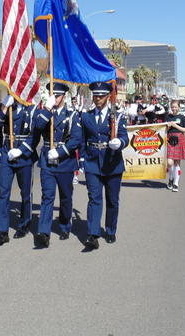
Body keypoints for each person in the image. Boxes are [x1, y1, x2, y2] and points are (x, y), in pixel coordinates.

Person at [79, 81, 129, 249]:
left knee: (112, 200)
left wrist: (119, 142)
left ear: (108, 97)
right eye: (95, 96)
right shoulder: (86, 116)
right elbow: (82, 140)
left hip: (112, 163)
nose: (98, 99)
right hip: (93, 162)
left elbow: (125, 137)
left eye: (101, 96)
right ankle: (93, 234)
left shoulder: (117, 115)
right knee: (94, 198)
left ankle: (110, 229)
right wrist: (82, 160)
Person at [32, 82, 82, 248]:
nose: (55, 98)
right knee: (47, 196)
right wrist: (47, 109)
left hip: (65, 162)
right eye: (53, 95)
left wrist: (60, 152)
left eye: (58, 96)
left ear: (64, 97)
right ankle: (43, 232)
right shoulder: (44, 112)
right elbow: (38, 128)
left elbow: (76, 139)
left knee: (65, 197)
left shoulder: (72, 115)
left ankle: (64, 225)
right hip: (47, 161)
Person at [0, 93, 38, 245]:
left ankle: (24, 224)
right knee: (3, 192)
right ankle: (1, 230)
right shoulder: (3, 107)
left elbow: (35, 135)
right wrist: (5, 107)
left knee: (25, 193)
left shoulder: (30, 109)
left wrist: (21, 150)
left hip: (23, 155)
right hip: (6, 153)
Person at [164, 100, 185, 192]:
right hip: (169, 140)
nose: (174, 109)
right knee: (169, 162)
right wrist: (167, 127)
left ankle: (175, 183)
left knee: (177, 163)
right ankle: (171, 178)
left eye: (175, 107)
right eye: (172, 107)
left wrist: (175, 125)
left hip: (179, 139)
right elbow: (164, 130)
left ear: (179, 107)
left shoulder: (182, 117)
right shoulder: (168, 117)